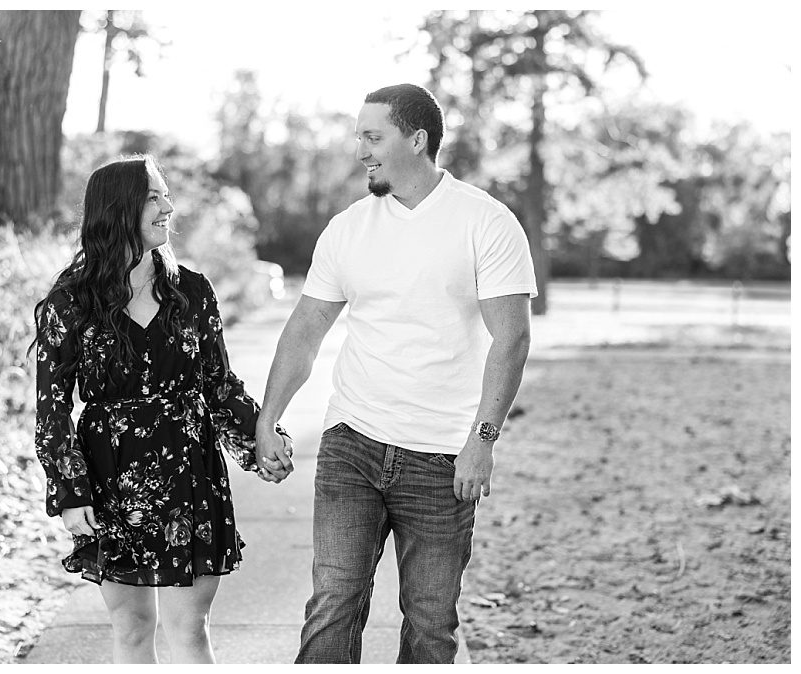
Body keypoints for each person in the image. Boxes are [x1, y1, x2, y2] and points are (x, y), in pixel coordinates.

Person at [253, 84, 538, 664]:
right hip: (351, 443)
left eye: (373, 136)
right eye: (359, 136)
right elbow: (305, 330)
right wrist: (268, 419)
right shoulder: (349, 228)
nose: (361, 150)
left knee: (431, 623)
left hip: (443, 459)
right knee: (333, 602)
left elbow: (512, 338)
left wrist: (482, 442)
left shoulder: (486, 222)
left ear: (417, 139)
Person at [30, 156, 290, 664]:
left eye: (165, 195)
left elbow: (218, 385)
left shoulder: (192, 291)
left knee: (189, 628)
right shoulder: (71, 302)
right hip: (112, 475)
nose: (168, 206)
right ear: (118, 208)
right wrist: (69, 489)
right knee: (131, 628)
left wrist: (263, 438)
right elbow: (52, 408)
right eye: (154, 196)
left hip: (189, 470)